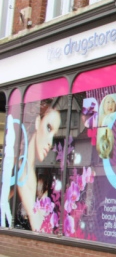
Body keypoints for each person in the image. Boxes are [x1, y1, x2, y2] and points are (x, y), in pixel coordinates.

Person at [16, 99, 62, 231]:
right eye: (48, 128)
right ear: (37, 122)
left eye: (54, 135)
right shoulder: (22, 175)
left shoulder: (32, 176)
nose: (50, 142)